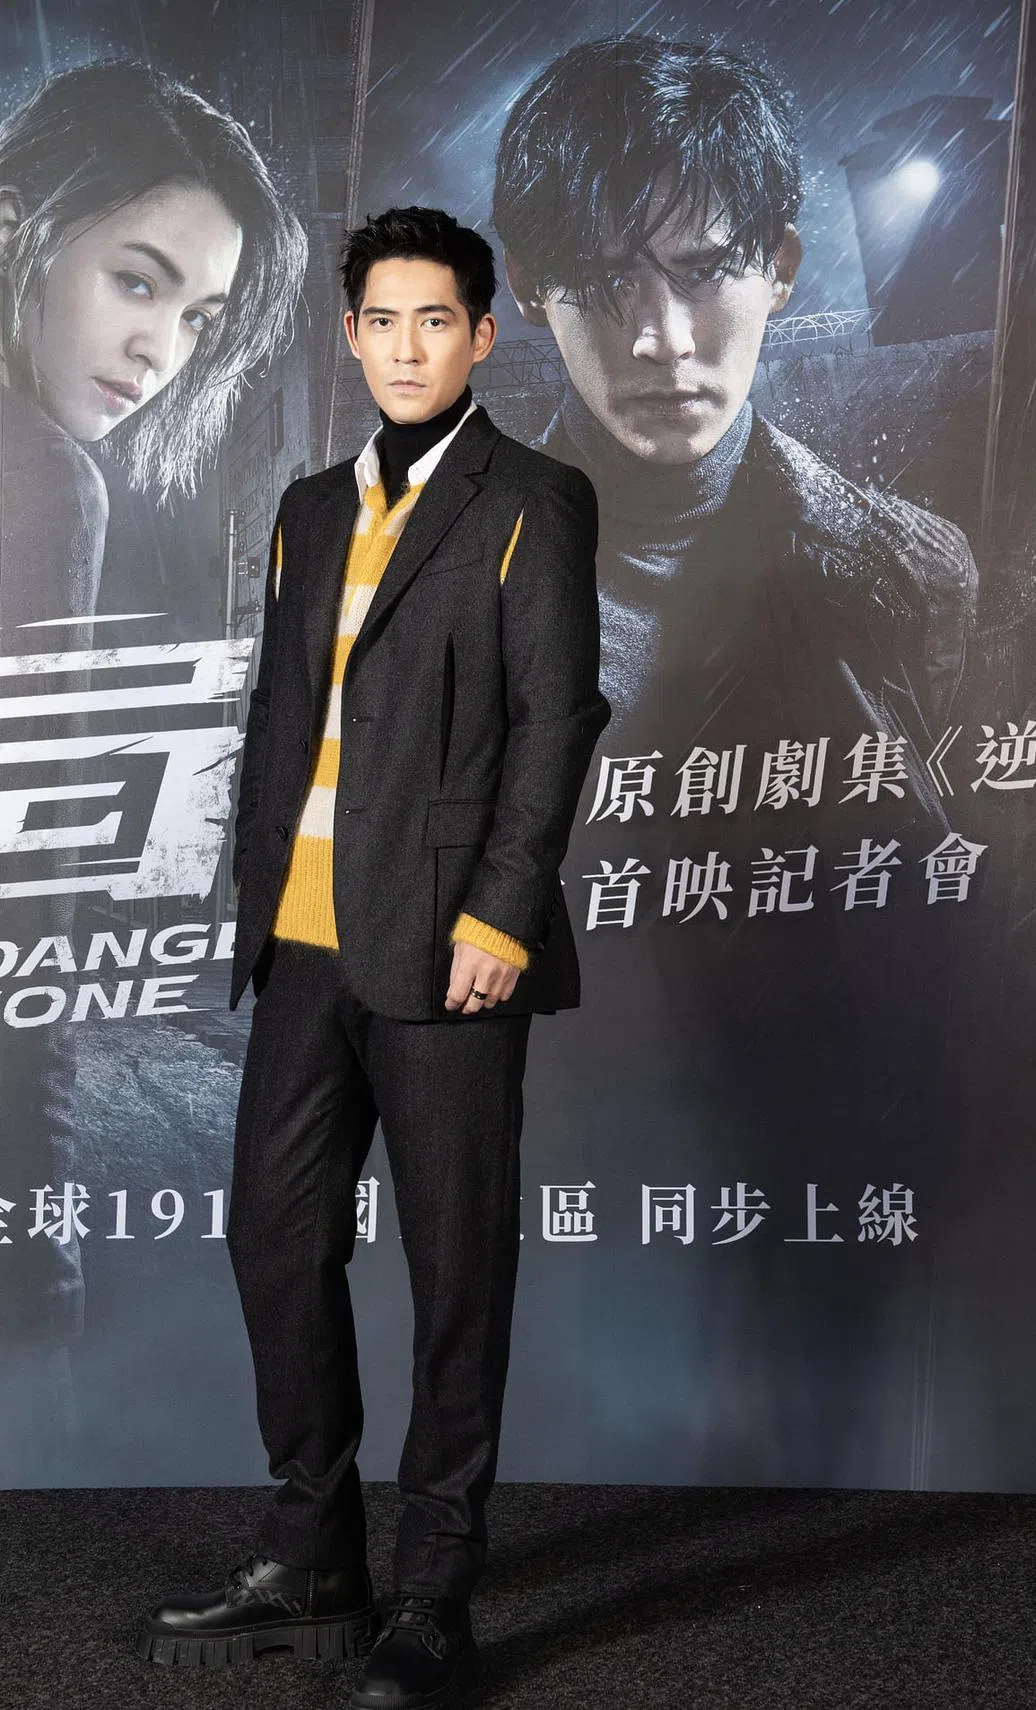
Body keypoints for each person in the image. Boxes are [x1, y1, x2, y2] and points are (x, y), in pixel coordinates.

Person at [489, 36, 980, 1479]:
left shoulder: (914, 575)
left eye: (704, 272)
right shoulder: (427, 590)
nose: (660, 339)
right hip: (546, 1208)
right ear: (531, 290)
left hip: (827, 1200)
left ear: (779, 269)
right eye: (602, 284)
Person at [138, 206, 609, 1707]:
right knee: (275, 1238)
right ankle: (314, 1553)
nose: (408, 347)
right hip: (304, 942)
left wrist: (502, 913)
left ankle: (434, 1593)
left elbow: (555, 716)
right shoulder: (304, 509)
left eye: (436, 320)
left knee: (458, 1270)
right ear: (349, 336)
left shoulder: (535, 498)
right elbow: (284, 714)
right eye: (383, 321)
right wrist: (254, 895)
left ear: (483, 335)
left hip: (449, 945)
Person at [0, 58, 305, 1471]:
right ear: (15, 227)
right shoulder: (42, 480)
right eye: (136, 281)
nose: (160, 351)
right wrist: (39, 1263)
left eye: (199, 319)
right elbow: (31, 921)